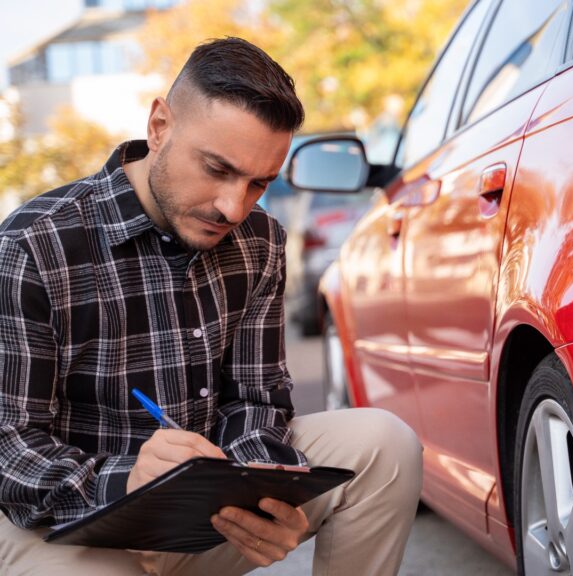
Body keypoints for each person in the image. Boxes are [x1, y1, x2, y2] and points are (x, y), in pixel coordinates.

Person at [0, 37, 422, 575]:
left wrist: (268, 492)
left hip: (205, 516)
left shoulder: (261, 240)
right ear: (159, 127)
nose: (234, 207)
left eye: (258, 183)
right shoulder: (31, 246)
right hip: (69, 531)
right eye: (218, 169)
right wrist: (127, 478)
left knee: (385, 445)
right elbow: (8, 448)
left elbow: (255, 399)